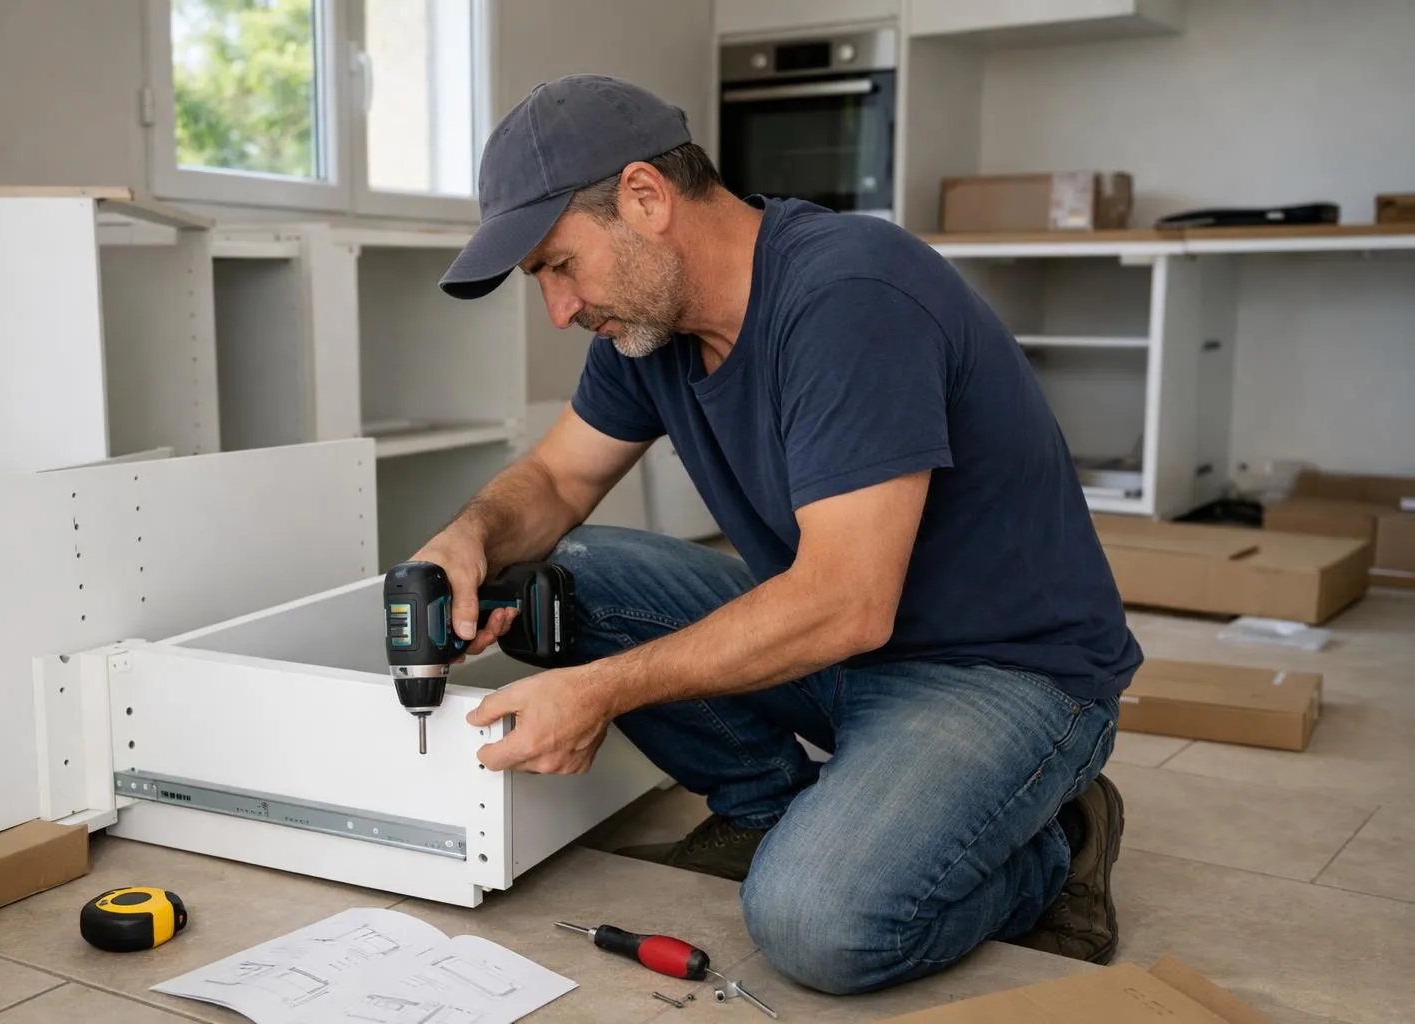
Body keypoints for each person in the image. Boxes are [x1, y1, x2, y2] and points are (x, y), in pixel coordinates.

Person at [412, 74, 1142, 996]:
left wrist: (599, 691)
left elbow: (845, 602)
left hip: (1003, 673)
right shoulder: (646, 330)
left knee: (819, 926)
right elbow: (558, 479)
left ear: (646, 197)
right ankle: (765, 806)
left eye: (560, 266)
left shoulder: (852, 294)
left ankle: (1053, 842)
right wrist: (467, 539)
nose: (559, 309)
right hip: (847, 646)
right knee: (547, 580)